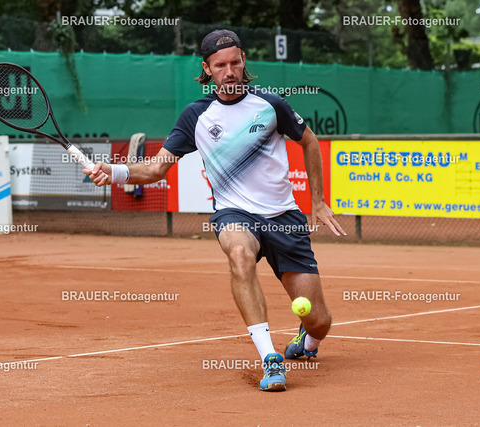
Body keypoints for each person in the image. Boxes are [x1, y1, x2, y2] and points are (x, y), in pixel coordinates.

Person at [84, 29, 346, 392]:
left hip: (284, 219)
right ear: (207, 69)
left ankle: (308, 340)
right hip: (234, 213)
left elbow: (310, 141)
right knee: (239, 254)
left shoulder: (271, 105)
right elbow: (157, 168)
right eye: (220, 65)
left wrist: (317, 201)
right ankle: (269, 357)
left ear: (244, 62)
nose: (230, 71)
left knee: (319, 319)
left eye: (235, 62)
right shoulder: (197, 115)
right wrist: (113, 172)